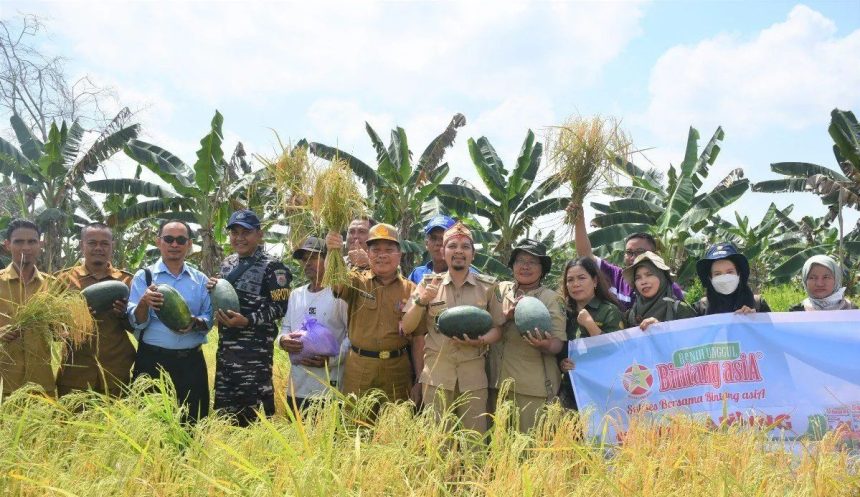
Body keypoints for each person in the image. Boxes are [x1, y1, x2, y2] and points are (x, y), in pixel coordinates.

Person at [402, 222, 504, 433]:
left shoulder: (488, 287)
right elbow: (407, 326)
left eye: (465, 247)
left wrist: (481, 340)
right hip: (437, 378)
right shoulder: (428, 284)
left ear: (473, 254)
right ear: (443, 251)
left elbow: (498, 328)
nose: (459, 251)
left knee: (474, 442)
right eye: (452, 246)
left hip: (473, 377)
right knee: (438, 443)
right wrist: (422, 301)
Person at [208, 209, 292, 426]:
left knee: (256, 417)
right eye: (234, 232)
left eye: (245, 232)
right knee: (225, 415)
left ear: (259, 234)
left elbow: (281, 307)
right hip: (226, 353)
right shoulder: (227, 264)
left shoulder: (273, 267)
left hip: (254, 357)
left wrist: (249, 320)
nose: (239, 238)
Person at [128, 220, 213, 423]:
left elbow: (209, 317)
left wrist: (195, 322)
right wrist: (144, 302)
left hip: (191, 363)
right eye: (169, 239)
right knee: (150, 423)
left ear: (189, 244)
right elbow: (136, 321)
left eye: (181, 240)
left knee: (194, 422)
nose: (174, 244)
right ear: (159, 242)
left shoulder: (200, 279)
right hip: (152, 361)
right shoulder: (145, 277)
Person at [325, 223, 421, 403]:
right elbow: (336, 283)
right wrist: (333, 251)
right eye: (375, 250)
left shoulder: (411, 290)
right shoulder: (355, 281)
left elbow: (418, 339)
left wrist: (419, 380)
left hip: (397, 370)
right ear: (368, 254)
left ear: (399, 255)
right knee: (356, 426)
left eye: (389, 249)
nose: (382, 255)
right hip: (359, 369)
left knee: (395, 426)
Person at [488, 239, 566, 432]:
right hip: (495, 384)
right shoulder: (499, 290)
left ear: (542, 268)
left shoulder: (552, 299)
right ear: (512, 265)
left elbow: (559, 343)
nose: (525, 266)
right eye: (520, 260)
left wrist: (545, 344)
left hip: (531, 388)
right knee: (497, 448)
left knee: (529, 451)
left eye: (532, 262)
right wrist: (506, 317)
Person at [55, 223, 135, 397]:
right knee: (72, 424)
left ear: (112, 246)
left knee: (117, 423)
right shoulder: (63, 280)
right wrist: (68, 325)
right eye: (92, 243)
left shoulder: (127, 282)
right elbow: (51, 325)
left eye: (104, 243)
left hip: (116, 373)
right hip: (75, 373)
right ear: (82, 245)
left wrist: (123, 315)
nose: (99, 248)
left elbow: (138, 327)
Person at [278, 236, 349, 413]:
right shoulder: (296, 295)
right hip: (298, 389)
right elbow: (285, 329)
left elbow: (352, 336)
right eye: (304, 259)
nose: (307, 263)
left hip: (329, 389)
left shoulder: (339, 294)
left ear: (328, 259)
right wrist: (283, 341)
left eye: (314, 258)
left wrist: (331, 360)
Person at [570, 204, 684, 309]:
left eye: (640, 251)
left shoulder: (670, 288)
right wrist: (579, 220)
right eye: (629, 252)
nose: (633, 257)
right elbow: (585, 256)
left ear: (654, 254)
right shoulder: (616, 276)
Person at [557, 257, 625, 409]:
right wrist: (562, 364)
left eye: (581, 278)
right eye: (570, 280)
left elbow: (616, 351)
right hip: (572, 392)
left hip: (603, 391)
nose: (575, 284)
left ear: (594, 281)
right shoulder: (564, 314)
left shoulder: (609, 310)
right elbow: (559, 350)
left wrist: (590, 325)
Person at [0, 219, 56, 396]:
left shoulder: (52, 286)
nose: (26, 247)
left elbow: (58, 329)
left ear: (40, 244)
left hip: (41, 382)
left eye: (32, 241)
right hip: (5, 382)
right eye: (19, 242)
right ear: (7, 245)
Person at [622, 251, 696, 330]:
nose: (643, 281)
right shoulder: (631, 314)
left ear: (662, 277)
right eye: (638, 278)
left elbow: (694, 339)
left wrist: (661, 330)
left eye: (649, 275)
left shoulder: (680, 310)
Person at [693, 242, 770, 315]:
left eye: (730, 272)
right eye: (717, 274)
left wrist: (756, 319)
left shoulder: (758, 305)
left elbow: (771, 328)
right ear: (710, 278)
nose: (724, 278)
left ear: (738, 274)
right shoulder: (700, 309)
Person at [789, 255, 856, 312]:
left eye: (826, 277)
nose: (819, 284)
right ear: (805, 281)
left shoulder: (852, 311)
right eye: (812, 278)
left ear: (836, 280)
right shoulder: (796, 312)